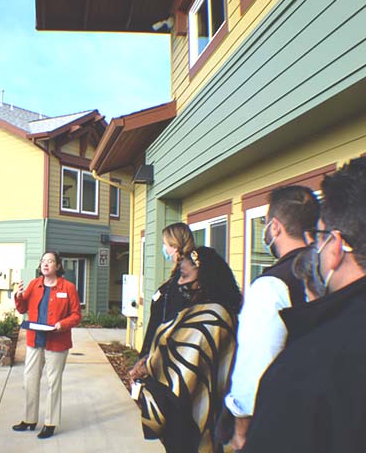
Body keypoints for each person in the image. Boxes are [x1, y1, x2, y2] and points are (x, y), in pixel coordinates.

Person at [241, 157, 366, 452]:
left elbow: (253, 372)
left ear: (335, 247)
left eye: (320, 237)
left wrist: (239, 425)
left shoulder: (302, 369)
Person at [224, 185, 319, 449]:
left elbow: (255, 366)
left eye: (266, 224)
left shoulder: (271, 285)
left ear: (275, 227)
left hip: (282, 424)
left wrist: (241, 429)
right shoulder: (330, 273)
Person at [136, 247, 242, 452]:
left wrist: (148, 366)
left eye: (184, 276)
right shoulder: (203, 310)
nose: (180, 283)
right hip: (188, 412)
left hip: (197, 414)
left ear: (205, 278)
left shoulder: (214, 316)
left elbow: (183, 357)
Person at [12, 251, 81, 439]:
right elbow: (23, 308)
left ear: (58, 266)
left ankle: (50, 423)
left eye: (50, 261)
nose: (45, 264)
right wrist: (18, 296)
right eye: (43, 261)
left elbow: (76, 315)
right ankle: (29, 419)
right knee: (30, 381)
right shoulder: (35, 284)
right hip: (35, 340)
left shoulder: (68, 287)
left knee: (53, 383)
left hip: (57, 342)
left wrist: (62, 324)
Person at [129, 223, 195, 381]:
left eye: (165, 244)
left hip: (168, 368)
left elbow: (167, 328)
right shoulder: (178, 278)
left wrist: (147, 362)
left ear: (174, 246)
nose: (163, 248)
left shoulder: (180, 283)